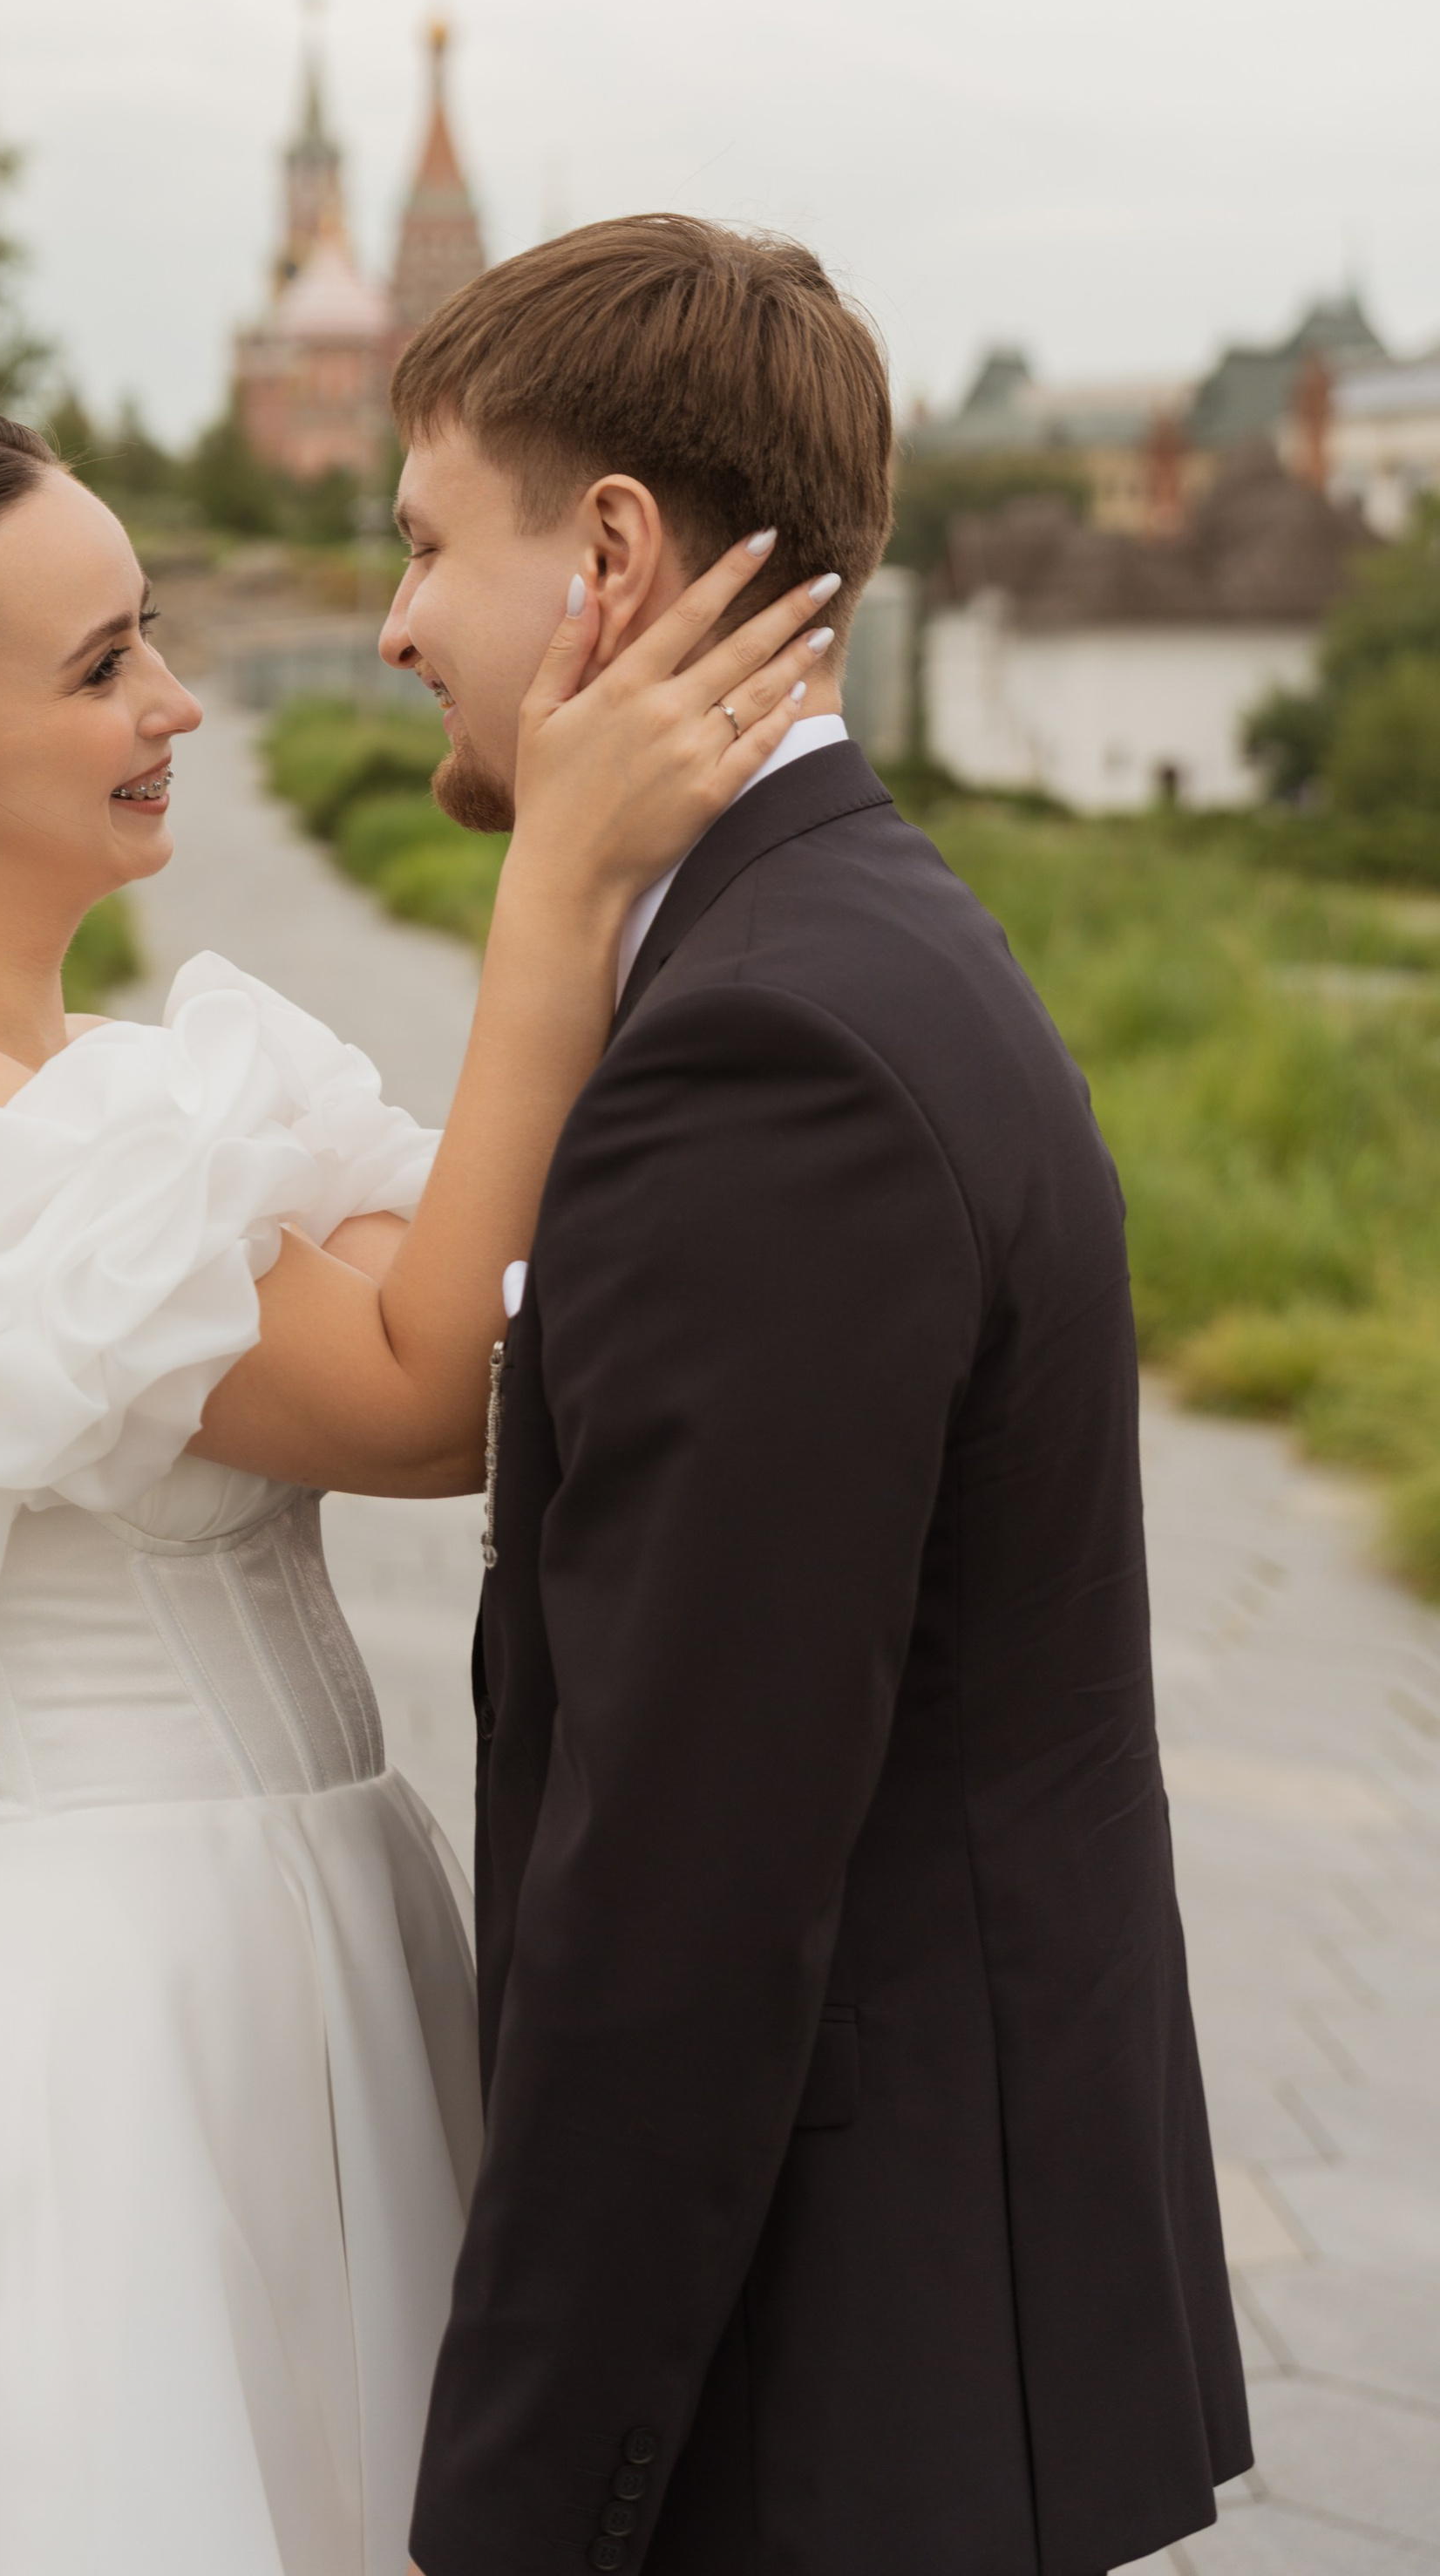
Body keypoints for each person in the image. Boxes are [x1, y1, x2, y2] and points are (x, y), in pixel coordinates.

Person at [0, 402, 827, 2576]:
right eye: (94, 669)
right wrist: (557, 890)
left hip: (300, 1943)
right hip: (107, 2015)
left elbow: (461, 1279)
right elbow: (431, 1395)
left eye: (147, 631)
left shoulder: (100, 1097)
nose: (171, 702)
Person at [385, 217, 1251, 2576]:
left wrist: (522, 2514)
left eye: (425, 543)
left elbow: (684, 1889)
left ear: (611, 556)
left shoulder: (769, 1054)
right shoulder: (868, 936)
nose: (390, 626)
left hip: (837, 2386)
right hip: (939, 2316)